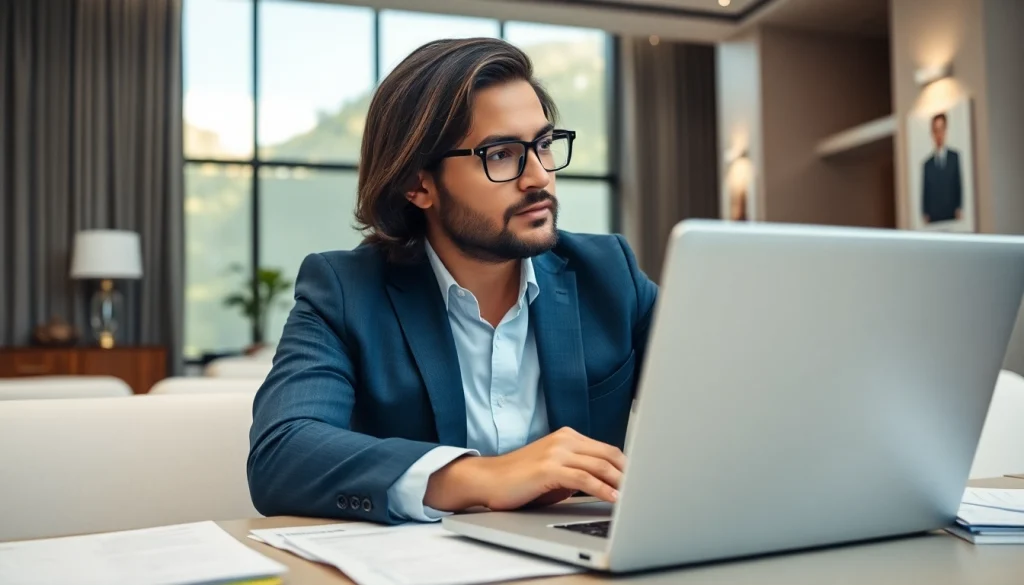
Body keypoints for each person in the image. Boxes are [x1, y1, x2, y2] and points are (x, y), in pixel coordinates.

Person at [247, 38, 658, 525]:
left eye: (544, 145)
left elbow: (722, 399)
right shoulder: (344, 290)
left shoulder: (609, 272)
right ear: (418, 185)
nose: (539, 177)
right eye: (501, 154)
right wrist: (481, 477)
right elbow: (282, 454)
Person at [921, 112, 963, 224]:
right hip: (934, 216)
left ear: (945, 131)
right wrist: (925, 212)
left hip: (951, 213)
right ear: (932, 133)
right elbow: (925, 191)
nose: (939, 134)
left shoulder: (954, 157)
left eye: (941, 130)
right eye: (936, 130)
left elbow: (958, 184)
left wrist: (959, 207)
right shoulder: (927, 164)